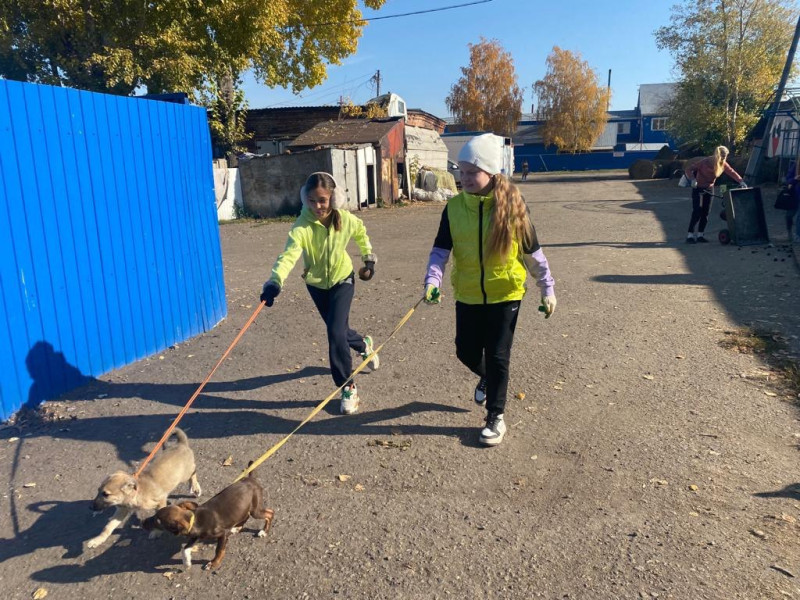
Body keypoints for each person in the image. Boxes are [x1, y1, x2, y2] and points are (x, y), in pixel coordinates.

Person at [422, 134, 556, 446]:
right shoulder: (454, 208)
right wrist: (432, 280)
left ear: (491, 173)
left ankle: (495, 416)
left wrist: (547, 289)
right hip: (468, 292)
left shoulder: (512, 208)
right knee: (465, 351)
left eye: (472, 172)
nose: (464, 178)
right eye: (462, 171)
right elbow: (440, 251)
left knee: (497, 356)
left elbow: (533, 253)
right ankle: (487, 377)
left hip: (505, 293)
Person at [260, 172, 379, 415]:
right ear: (305, 199)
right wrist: (274, 282)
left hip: (343, 280)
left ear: (334, 199)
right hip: (316, 285)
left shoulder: (345, 219)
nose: (317, 206)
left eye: (323, 200)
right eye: (312, 201)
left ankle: (348, 386)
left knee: (334, 332)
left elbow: (361, 233)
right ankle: (364, 343)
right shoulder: (302, 226)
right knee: (341, 332)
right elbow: (289, 256)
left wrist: (368, 259)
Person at [685, 145, 747, 243]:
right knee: (697, 211)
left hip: (709, 188)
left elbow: (732, 172)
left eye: (725, 156)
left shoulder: (723, 164)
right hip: (698, 188)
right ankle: (690, 235)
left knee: (706, 212)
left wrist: (741, 181)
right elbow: (689, 169)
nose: (723, 158)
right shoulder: (705, 162)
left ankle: (701, 235)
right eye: (722, 156)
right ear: (717, 154)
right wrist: (692, 179)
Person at [782, 159, 800, 242]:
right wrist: (795, 179)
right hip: (794, 195)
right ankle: (789, 231)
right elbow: (788, 178)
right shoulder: (797, 165)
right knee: (789, 215)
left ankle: (798, 235)